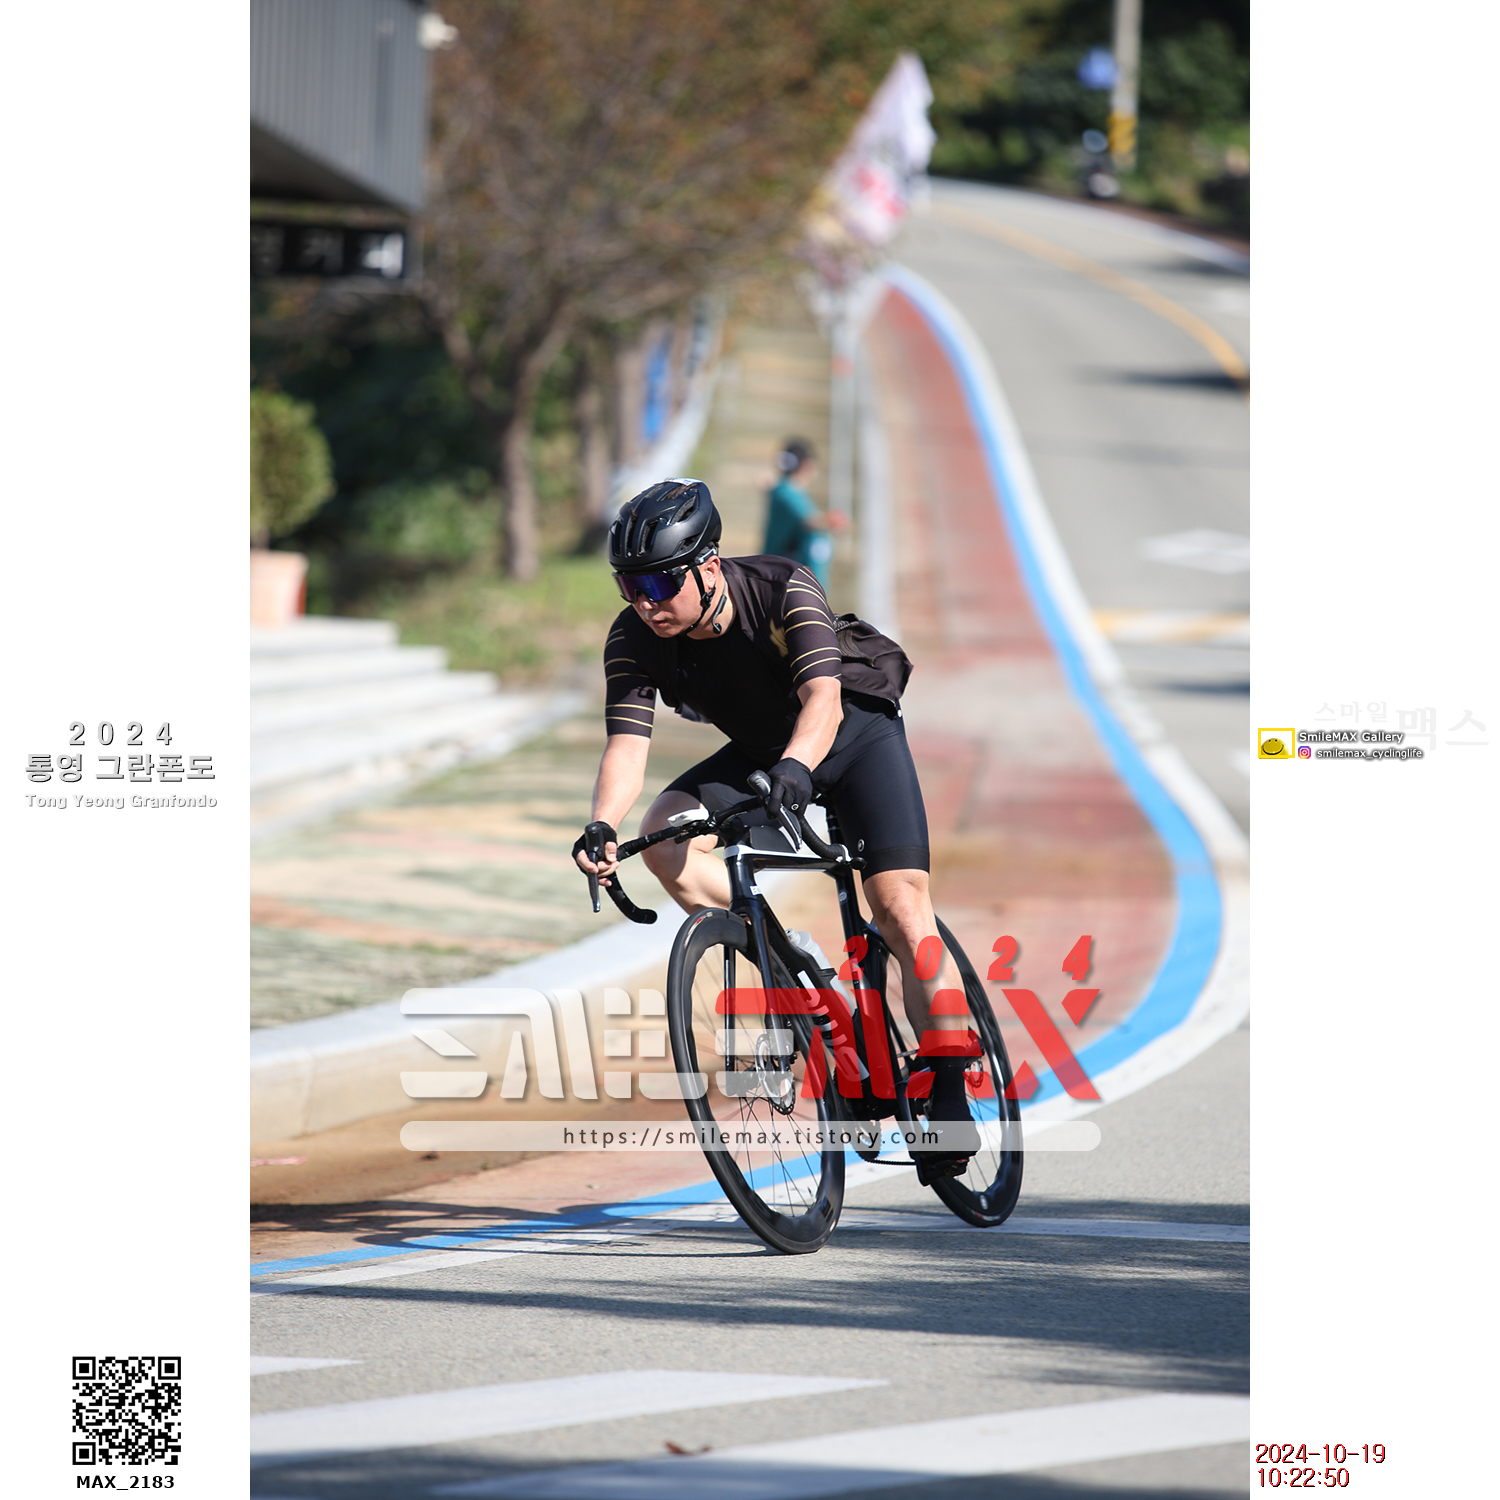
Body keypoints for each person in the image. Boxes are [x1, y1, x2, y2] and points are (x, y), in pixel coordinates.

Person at [573, 478, 978, 1176]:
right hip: (765, 754)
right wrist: (602, 825)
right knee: (665, 834)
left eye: (659, 583)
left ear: (707, 567)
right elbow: (627, 748)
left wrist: (796, 768)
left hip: (854, 736)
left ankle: (946, 1082)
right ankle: (792, 960)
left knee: (900, 908)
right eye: (629, 585)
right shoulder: (635, 636)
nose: (645, 601)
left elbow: (823, 697)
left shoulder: (781, 586)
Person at [763, 439, 845, 590]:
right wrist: (836, 522)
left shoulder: (791, 491)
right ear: (806, 465)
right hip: (780, 579)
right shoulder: (786, 491)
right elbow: (811, 521)